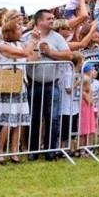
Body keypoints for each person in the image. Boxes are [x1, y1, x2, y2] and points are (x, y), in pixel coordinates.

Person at [25, 9, 73, 161]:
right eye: (49, 18)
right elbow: (24, 55)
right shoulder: (28, 37)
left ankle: (50, 150)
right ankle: (32, 150)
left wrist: (51, 52)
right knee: (34, 118)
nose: (52, 21)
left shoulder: (57, 37)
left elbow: (68, 55)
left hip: (52, 84)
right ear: (39, 21)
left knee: (52, 118)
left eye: (53, 18)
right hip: (33, 83)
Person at [0, 20, 37, 164]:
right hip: (8, 85)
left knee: (19, 120)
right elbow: (24, 54)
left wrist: (34, 44)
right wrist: (33, 41)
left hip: (20, 84)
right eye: (18, 29)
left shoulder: (20, 43)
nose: (21, 31)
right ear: (10, 33)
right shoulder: (2, 46)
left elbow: (31, 59)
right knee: (8, 120)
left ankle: (15, 152)